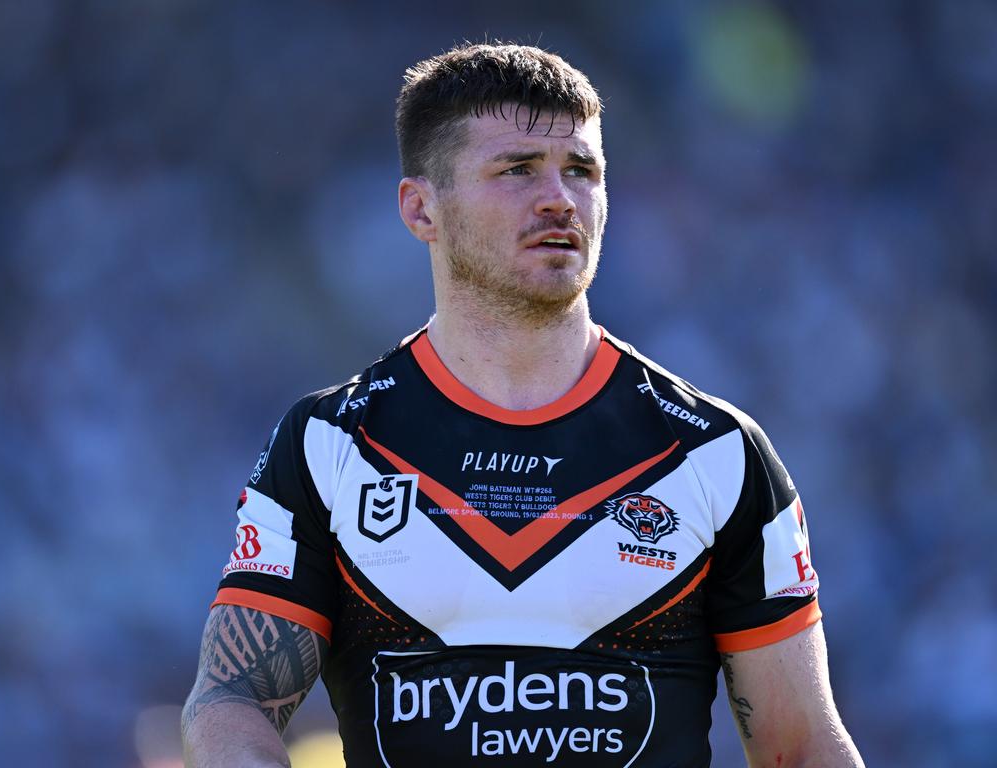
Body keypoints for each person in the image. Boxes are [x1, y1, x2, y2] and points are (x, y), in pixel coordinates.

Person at [181, 43, 864, 768]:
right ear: (421, 208)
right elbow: (231, 700)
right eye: (516, 170)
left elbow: (803, 744)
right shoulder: (330, 445)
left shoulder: (714, 452)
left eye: (582, 171)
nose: (559, 199)